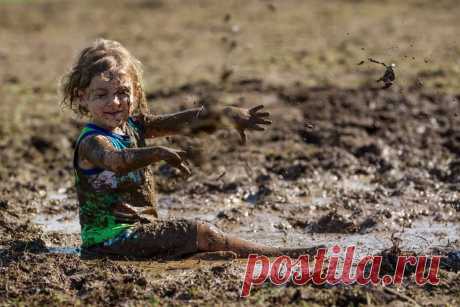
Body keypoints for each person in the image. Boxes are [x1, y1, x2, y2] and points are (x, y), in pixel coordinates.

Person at [60, 38, 320, 260]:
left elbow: (185, 122)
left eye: (122, 92)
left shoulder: (134, 126)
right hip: (108, 244)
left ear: (136, 93)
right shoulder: (91, 141)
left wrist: (225, 115)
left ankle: (194, 256)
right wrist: (157, 152)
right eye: (102, 94)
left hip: (137, 234)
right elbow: (114, 160)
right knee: (201, 231)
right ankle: (282, 256)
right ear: (82, 96)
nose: (114, 102)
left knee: (187, 237)